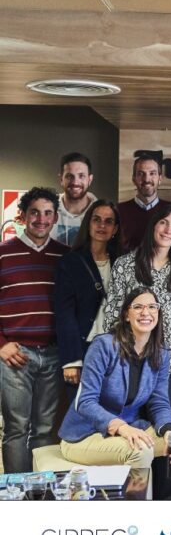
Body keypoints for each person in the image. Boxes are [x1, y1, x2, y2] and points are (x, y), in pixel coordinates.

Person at [58, 288, 171, 500]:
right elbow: (85, 401)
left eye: (152, 307)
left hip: (129, 431)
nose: (146, 312)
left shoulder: (161, 353)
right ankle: (136, 517)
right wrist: (121, 427)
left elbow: (159, 402)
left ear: (158, 313)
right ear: (126, 315)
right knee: (141, 449)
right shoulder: (104, 346)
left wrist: (167, 430)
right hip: (85, 436)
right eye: (138, 307)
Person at [0, 187, 69, 473]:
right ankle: (16, 492)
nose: (41, 219)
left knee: (45, 429)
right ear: (23, 216)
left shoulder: (65, 256)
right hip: (16, 354)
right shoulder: (3, 254)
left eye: (48, 213)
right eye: (35, 212)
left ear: (55, 218)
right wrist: (1, 344)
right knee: (16, 428)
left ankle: (39, 491)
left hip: (54, 354)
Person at [104, 204, 171, 412]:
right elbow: (112, 313)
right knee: (130, 426)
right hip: (130, 361)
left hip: (168, 364)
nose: (168, 230)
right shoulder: (125, 264)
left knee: (165, 423)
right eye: (163, 223)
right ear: (152, 227)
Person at [55, 199, 122, 398]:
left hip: (117, 350)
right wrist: (72, 361)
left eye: (108, 221)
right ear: (88, 224)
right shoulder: (70, 262)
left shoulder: (123, 261)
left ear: (115, 229)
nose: (102, 225)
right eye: (96, 219)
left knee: (114, 411)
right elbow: (65, 314)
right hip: (83, 349)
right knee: (82, 410)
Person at [117, 155, 170, 251]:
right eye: (141, 174)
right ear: (134, 179)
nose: (146, 179)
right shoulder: (118, 210)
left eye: (152, 173)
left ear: (160, 179)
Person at [51, 152, 97, 246]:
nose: (75, 182)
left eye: (81, 176)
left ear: (90, 179)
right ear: (61, 179)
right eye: (69, 176)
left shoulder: (101, 212)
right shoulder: (48, 209)